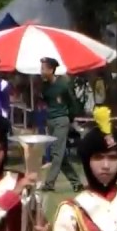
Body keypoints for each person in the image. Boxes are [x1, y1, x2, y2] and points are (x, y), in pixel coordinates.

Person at [39, 58, 85, 192]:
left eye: (43, 68)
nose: (41, 71)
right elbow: (45, 100)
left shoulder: (63, 84)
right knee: (60, 155)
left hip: (61, 120)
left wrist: (70, 118)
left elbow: (72, 103)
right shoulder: (44, 86)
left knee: (56, 154)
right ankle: (76, 183)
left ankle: (49, 184)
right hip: (50, 121)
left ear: (51, 69)